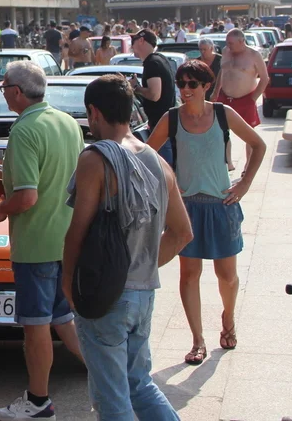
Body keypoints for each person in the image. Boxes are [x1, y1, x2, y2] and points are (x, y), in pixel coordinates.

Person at [63, 74, 192, 420]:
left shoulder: (96, 158)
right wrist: (141, 264)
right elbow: (182, 233)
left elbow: (77, 231)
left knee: (112, 400)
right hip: (143, 294)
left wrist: (69, 284)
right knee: (140, 385)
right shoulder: (158, 161)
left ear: (93, 112)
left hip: (106, 296)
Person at [147, 60, 265, 366]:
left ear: (206, 86)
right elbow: (147, 154)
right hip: (187, 208)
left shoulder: (223, 114)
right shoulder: (172, 118)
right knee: (189, 275)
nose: (185, 90)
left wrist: (245, 182)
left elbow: (258, 144)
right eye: (181, 84)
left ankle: (228, 319)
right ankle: (197, 340)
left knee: (227, 276)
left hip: (221, 205)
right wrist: (167, 186)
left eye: (192, 84)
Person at [0, 61, 84, 421]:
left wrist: (1, 208)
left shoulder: (24, 130)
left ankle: (38, 400)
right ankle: (110, 376)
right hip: (67, 238)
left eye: (4, 88)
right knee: (64, 318)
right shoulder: (67, 123)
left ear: (16, 92)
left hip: (35, 244)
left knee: (36, 326)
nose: (4, 94)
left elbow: (27, 197)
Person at [209, 29, 268, 160]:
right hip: (225, 97)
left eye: (231, 43)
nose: (228, 46)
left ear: (241, 41)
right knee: (220, 130)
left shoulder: (254, 55)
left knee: (249, 135)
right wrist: (216, 91)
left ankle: (248, 165)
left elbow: (264, 78)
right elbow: (223, 71)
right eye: (227, 43)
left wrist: (253, 98)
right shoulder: (226, 51)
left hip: (246, 98)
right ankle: (226, 161)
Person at [130, 30, 177, 164]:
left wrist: (136, 88)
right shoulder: (159, 59)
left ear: (141, 41)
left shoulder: (152, 62)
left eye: (133, 42)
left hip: (160, 125)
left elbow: (155, 95)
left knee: (162, 166)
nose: (131, 46)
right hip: (165, 122)